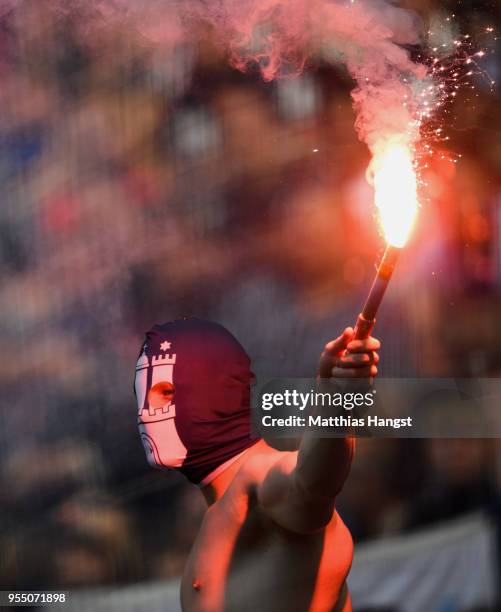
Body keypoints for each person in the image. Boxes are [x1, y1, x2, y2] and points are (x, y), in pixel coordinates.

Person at [133, 317, 380, 612]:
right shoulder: (218, 511)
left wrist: (337, 402)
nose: (146, 412)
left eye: (165, 391)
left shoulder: (257, 481)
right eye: (140, 394)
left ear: (216, 393)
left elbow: (310, 484)